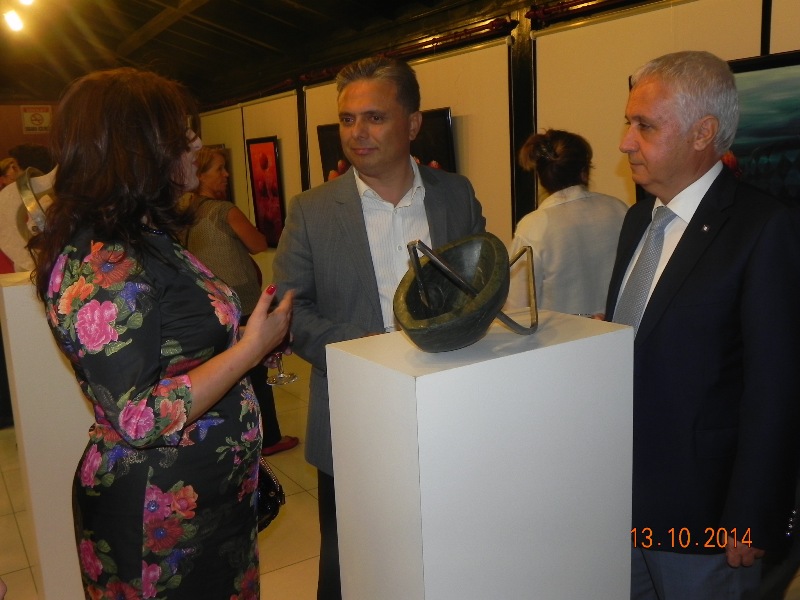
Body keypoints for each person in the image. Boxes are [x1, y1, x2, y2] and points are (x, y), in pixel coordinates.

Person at [28, 67, 293, 598]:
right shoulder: (100, 258)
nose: (195, 144)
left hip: (204, 499)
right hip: (154, 514)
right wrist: (248, 351)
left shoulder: (145, 235)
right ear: (137, 147)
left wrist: (246, 341)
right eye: (182, 133)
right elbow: (138, 417)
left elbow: (177, 348)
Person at [272, 55, 486, 599]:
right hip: (353, 418)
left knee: (444, 559)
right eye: (347, 120)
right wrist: (364, 353)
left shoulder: (455, 195)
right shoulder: (312, 210)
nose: (357, 133)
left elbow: (479, 288)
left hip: (447, 412)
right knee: (351, 569)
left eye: (374, 117)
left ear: (412, 124)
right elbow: (291, 312)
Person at [605, 50, 800, 599]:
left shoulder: (763, 228)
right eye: (628, 122)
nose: (625, 142)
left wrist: (753, 514)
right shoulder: (636, 220)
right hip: (623, 500)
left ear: (702, 133)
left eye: (644, 126)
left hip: (706, 517)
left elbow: (776, 387)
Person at [184, 146, 299, 456]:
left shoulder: (187, 212)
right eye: (219, 169)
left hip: (210, 303)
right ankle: (269, 438)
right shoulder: (224, 210)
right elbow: (259, 243)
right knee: (257, 372)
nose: (226, 175)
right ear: (200, 175)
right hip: (241, 299)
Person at [505, 129, 627, 314]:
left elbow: (517, 308)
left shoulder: (534, 227)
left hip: (561, 332)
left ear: (541, 176)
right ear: (584, 172)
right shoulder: (618, 209)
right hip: (619, 329)